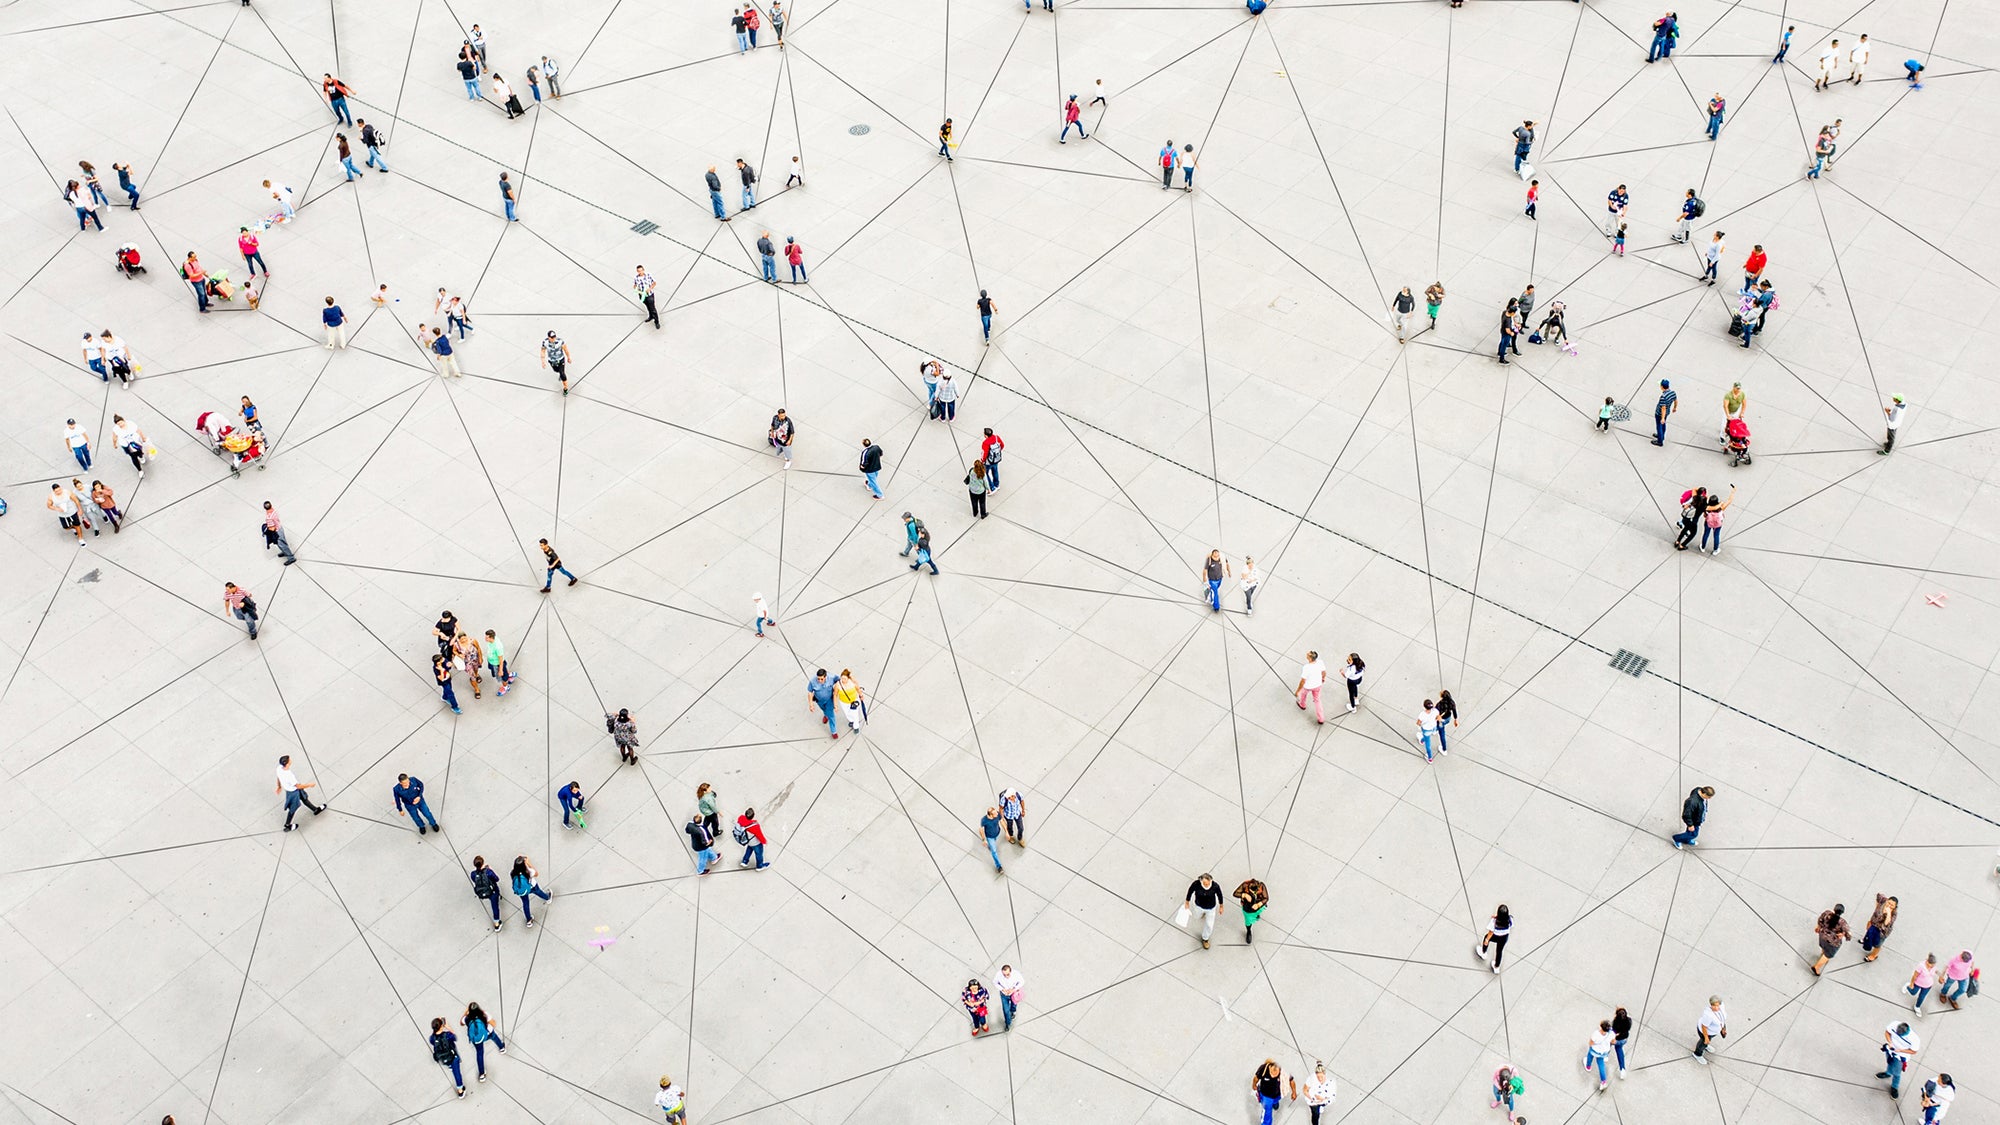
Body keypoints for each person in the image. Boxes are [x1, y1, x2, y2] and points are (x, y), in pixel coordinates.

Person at [275, 753, 324, 829]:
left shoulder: (279, 768)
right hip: (293, 792)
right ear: (287, 764)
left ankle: (315, 809)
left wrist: (279, 786)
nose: (291, 760)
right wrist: (309, 785)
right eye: (289, 760)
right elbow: (298, 786)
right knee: (293, 808)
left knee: (304, 799)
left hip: (292, 790)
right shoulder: (289, 775)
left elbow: (278, 777)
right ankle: (287, 825)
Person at [461, 1002, 505, 1082]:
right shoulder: (484, 1014)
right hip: (487, 1033)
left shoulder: (467, 1018)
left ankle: (482, 1074)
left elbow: (461, 1023)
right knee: (494, 1037)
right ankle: (502, 1048)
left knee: (479, 1053)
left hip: (476, 1039)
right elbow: (494, 1024)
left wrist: (465, 1012)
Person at [1878, 1020, 1919, 1097]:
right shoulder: (1894, 1024)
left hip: (1900, 1056)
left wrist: (1901, 1050)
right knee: (1889, 1062)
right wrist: (1890, 1042)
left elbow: (1914, 1051)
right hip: (1890, 1050)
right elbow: (1887, 1032)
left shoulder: (1914, 1039)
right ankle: (1888, 1073)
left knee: (1897, 1073)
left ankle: (1894, 1087)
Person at [1184, 873, 1224, 948]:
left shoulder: (1215, 886)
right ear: (1201, 881)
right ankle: (1202, 914)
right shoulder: (1196, 884)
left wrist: (1221, 906)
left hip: (1210, 908)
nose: (1206, 885)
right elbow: (1190, 891)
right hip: (1199, 906)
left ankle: (1205, 938)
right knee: (1196, 916)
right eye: (1205, 884)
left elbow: (1219, 895)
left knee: (1209, 924)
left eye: (1208, 884)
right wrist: (1187, 901)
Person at [429, 1018, 466, 1097]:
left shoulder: (432, 1038)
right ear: (442, 1026)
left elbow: (433, 1043)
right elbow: (455, 1037)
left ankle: (449, 1066)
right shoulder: (447, 1035)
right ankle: (460, 1090)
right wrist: (448, 1027)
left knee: (448, 1063)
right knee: (457, 1074)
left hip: (443, 1058)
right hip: (452, 1056)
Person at [510, 856, 552, 927]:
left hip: (522, 890)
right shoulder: (528, 871)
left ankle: (529, 920)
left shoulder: (512, 873)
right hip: (532, 886)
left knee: (525, 903)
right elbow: (536, 873)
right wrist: (528, 863)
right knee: (538, 891)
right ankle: (547, 897)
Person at [1811, 903, 1851, 975]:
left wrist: (1818, 927)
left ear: (1834, 909)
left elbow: (1820, 920)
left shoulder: (1827, 913)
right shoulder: (1843, 923)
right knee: (1829, 954)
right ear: (1842, 913)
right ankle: (1817, 967)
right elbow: (1848, 935)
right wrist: (1844, 935)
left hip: (1822, 935)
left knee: (1824, 946)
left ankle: (1823, 953)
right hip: (1833, 941)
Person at [1251, 1060, 1290, 1125]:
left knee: (1275, 1101)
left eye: (1276, 1073)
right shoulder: (1263, 1069)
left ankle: (1275, 1103)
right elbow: (1255, 1078)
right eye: (1272, 1072)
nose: (1273, 1075)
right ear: (1270, 1067)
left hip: (1277, 1094)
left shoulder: (1284, 1071)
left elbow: (1291, 1080)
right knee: (1267, 1113)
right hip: (1266, 1096)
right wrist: (1254, 1085)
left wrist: (1294, 1092)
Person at [469, 856, 503, 929]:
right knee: (495, 907)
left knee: (493, 904)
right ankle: (496, 923)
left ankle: (497, 924)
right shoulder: (488, 872)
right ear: (483, 863)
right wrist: (489, 869)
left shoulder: (473, 874)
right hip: (493, 891)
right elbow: (496, 879)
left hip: (483, 891)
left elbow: (475, 881)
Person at [1700, 485, 1735, 555]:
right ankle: (1715, 550)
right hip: (1717, 524)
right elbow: (1729, 500)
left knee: (1706, 534)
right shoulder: (1721, 508)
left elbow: (1704, 515)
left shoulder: (1707, 507)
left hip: (1708, 523)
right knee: (1716, 536)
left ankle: (1703, 547)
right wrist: (1733, 491)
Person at [1233, 876, 1269, 944]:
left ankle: (1257, 915)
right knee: (1248, 921)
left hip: (1258, 905)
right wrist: (1244, 895)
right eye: (1251, 890)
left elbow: (1266, 898)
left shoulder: (1262, 886)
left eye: (1254, 891)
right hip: (1248, 908)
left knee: (1259, 911)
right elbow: (1235, 894)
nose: (1252, 892)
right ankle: (1249, 931)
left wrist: (1259, 904)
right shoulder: (1245, 885)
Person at [1691, 995, 1726, 1063]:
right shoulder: (1708, 1015)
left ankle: (1706, 1046)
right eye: (1714, 1006)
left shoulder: (1722, 1006)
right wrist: (1706, 1037)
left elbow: (1722, 1019)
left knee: (1707, 1042)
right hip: (1705, 1032)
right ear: (1711, 1005)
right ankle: (1697, 1054)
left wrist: (1723, 1028)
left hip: (1713, 1032)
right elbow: (1704, 1026)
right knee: (1703, 1042)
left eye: (1718, 1005)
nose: (1716, 1008)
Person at [1296, 651, 1327, 723]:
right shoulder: (1320, 663)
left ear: (1310, 658)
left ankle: (1302, 704)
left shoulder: (1306, 667)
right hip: (1318, 685)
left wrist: (1297, 691)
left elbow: (1303, 681)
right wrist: (1323, 678)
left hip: (1308, 686)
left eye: (1308, 655)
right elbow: (1324, 672)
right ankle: (1321, 718)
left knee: (1303, 695)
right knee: (1317, 700)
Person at [1584, 1019, 1615, 1090]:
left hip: (1595, 1049)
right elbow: (1613, 1041)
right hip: (1603, 1052)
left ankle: (1588, 1066)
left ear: (1601, 1027)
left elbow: (1590, 1043)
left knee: (1590, 1056)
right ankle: (1603, 1081)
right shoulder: (1611, 1034)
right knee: (1601, 1065)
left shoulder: (1596, 1034)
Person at [1479, 905, 1511, 972]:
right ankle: (1496, 967)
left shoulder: (1494, 921)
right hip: (1504, 938)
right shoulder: (1510, 919)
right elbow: (1510, 925)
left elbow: (1490, 933)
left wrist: (1487, 940)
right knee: (1499, 951)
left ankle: (1483, 953)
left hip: (1496, 936)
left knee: (1486, 937)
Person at [992, 964, 1024, 1031]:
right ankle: (1008, 1023)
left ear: (1011, 971)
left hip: (1013, 993)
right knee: (1006, 1010)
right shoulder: (999, 975)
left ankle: (1013, 1011)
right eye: (1004, 975)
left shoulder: (1016, 974)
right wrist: (1002, 989)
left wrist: (1014, 989)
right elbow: (995, 982)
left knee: (1014, 1004)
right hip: (1004, 994)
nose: (1006, 976)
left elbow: (1022, 982)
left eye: (1008, 974)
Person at [1652, 379, 1677, 445]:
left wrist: (1662, 418)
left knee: (1659, 426)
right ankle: (1661, 436)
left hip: (1660, 413)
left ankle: (1660, 441)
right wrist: (1674, 408)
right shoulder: (1673, 393)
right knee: (1663, 425)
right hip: (1667, 412)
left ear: (1662, 387)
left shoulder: (1663, 397)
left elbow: (1663, 408)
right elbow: (1676, 400)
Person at [980, 806, 1004, 872]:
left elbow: (1001, 821)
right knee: (994, 851)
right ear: (990, 815)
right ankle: (999, 866)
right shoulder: (984, 820)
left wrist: (1007, 832)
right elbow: (981, 830)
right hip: (989, 837)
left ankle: (990, 846)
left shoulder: (997, 814)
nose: (997, 814)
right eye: (995, 814)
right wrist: (984, 839)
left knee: (993, 843)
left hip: (996, 833)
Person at [1610, 1006, 1633, 1078]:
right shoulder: (1629, 1020)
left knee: (1608, 1044)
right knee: (1619, 1050)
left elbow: (1612, 1032)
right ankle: (1622, 1069)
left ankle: (1605, 1055)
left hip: (1616, 1039)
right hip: (1624, 1039)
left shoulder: (1616, 1023)